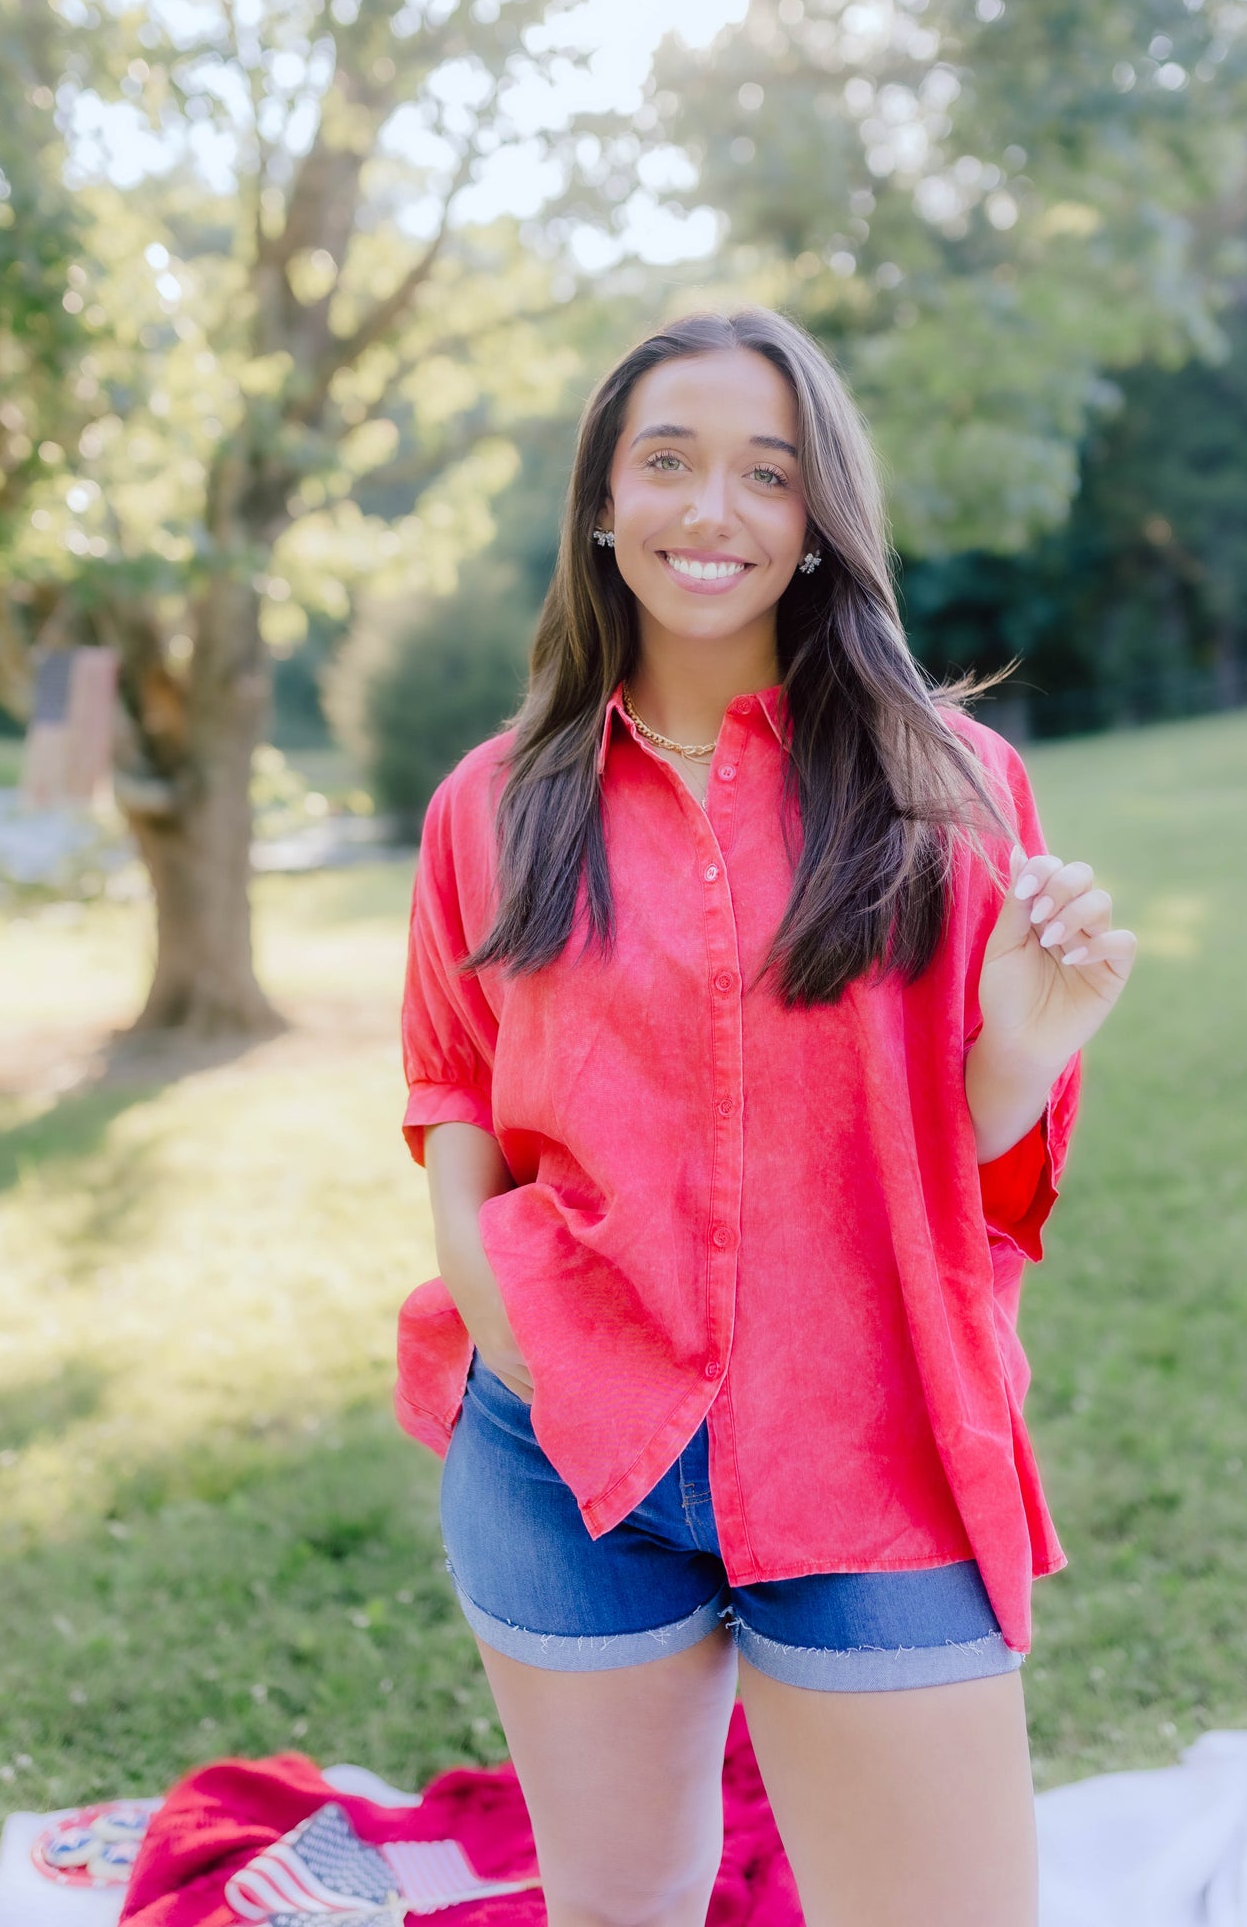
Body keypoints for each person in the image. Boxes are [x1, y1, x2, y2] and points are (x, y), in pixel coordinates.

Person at [395, 308, 1136, 1927]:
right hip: (560, 1441)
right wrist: (476, 1274)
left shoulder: (949, 784)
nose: (709, 511)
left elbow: (978, 1150)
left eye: (765, 473)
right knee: (625, 1905)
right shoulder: (494, 799)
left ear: (816, 523)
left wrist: (1023, 1046)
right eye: (666, 462)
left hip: (868, 1435)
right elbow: (453, 1073)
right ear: (601, 500)